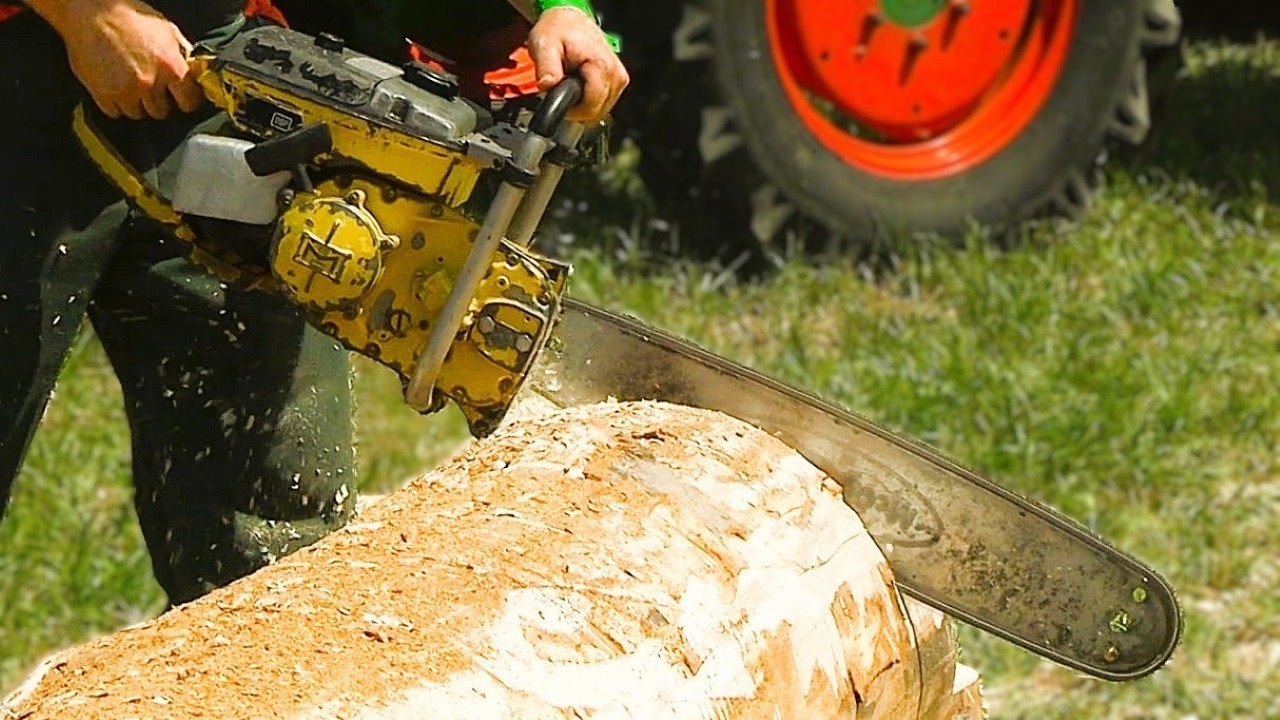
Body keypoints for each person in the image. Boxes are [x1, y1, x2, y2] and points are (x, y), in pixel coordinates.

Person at [0, 0, 627, 607]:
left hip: (223, 76)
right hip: (25, 61)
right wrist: (88, 13)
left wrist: (561, 7)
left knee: (277, 529)